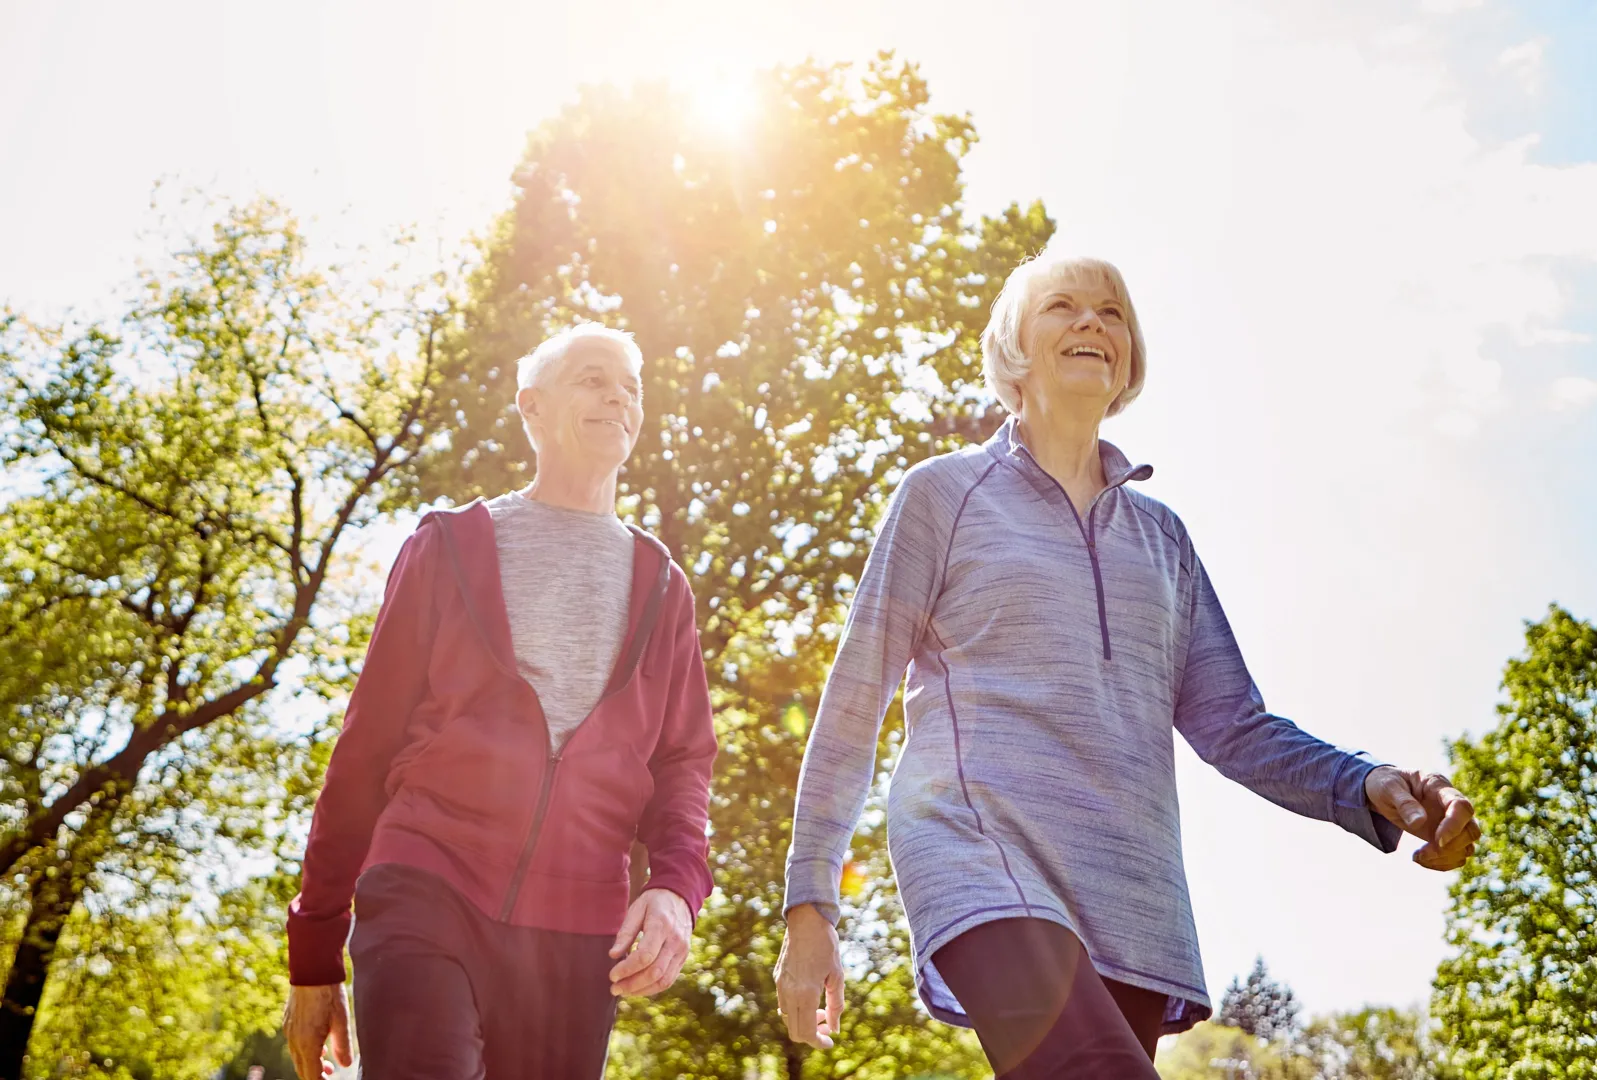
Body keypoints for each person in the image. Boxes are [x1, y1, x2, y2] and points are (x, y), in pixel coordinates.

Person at [774, 254, 1480, 1077]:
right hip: (980, 855)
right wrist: (809, 902)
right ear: (1014, 350)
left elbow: (1235, 725)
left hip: (1132, 899)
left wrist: (1366, 783)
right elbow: (857, 696)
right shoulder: (943, 495)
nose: (1091, 323)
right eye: (1063, 307)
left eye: (1111, 314)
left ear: (1128, 358)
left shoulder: (1163, 539)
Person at [281, 324, 718, 1080]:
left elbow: (683, 764)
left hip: (580, 934)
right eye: (591, 378)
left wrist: (677, 890)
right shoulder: (449, 547)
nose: (617, 394)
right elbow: (365, 749)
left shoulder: (662, 585)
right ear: (533, 409)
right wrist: (314, 952)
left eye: (630, 387)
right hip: (428, 884)